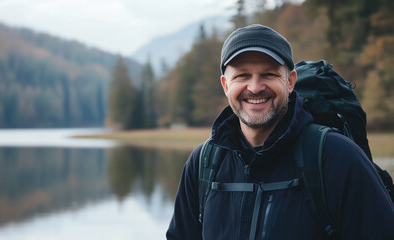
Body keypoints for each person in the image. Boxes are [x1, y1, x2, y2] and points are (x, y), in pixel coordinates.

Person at [166, 24, 394, 239]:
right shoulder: (203, 163)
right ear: (226, 85)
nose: (255, 87)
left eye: (269, 74)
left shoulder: (337, 157)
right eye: (242, 75)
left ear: (290, 81)